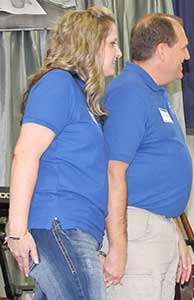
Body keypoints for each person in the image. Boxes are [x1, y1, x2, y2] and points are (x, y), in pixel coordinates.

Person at [7, 6, 121, 299]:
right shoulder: (57, 84)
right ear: (90, 45)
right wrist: (17, 231)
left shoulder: (82, 98)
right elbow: (25, 153)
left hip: (73, 231)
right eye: (112, 43)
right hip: (60, 226)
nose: (118, 53)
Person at [101, 13, 192, 299]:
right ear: (162, 50)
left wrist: (176, 234)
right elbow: (113, 171)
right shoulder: (129, 92)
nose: (187, 56)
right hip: (135, 231)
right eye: (183, 47)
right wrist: (117, 247)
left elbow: (159, 173)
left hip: (157, 227)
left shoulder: (155, 94)